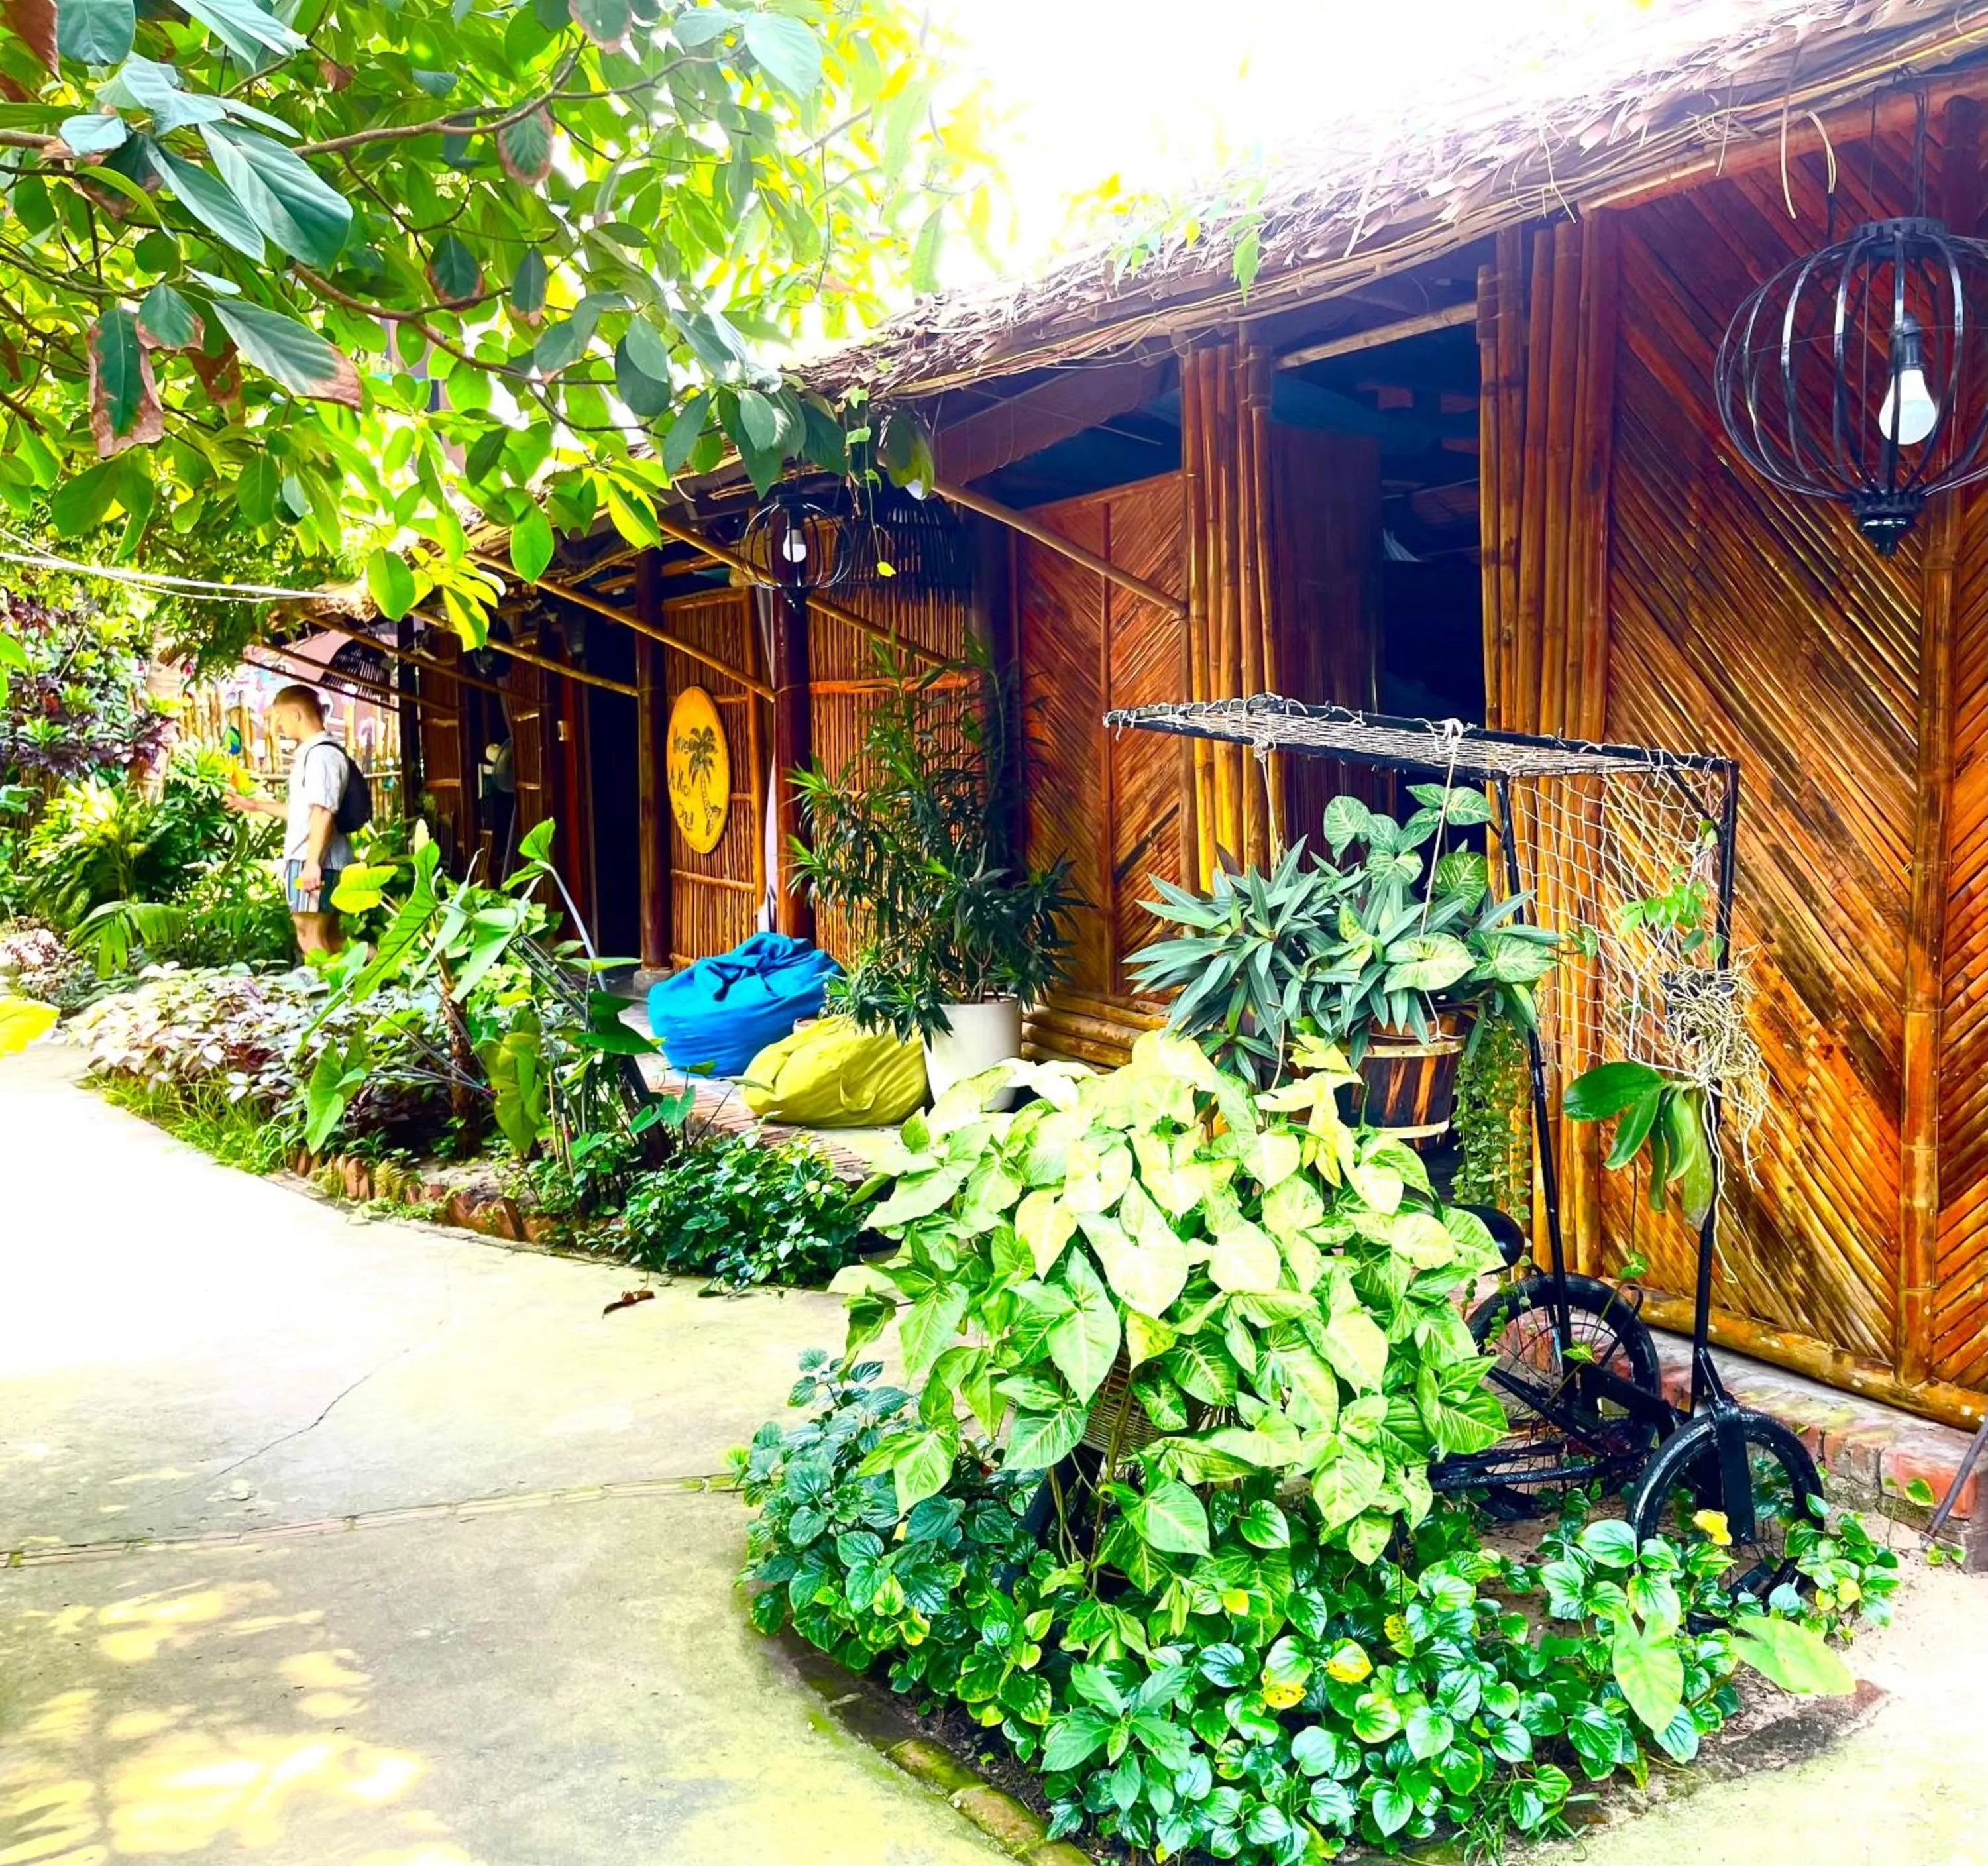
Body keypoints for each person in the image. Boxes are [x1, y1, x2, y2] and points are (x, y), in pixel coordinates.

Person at [225, 683, 353, 956]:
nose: (279, 726)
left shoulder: (322, 755)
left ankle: (328, 996)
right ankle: (398, 969)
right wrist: (254, 805)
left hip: (318, 860)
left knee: (311, 936)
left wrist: (312, 864)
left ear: (297, 715)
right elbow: (304, 813)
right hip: (314, 859)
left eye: (281, 718)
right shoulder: (314, 754)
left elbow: (323, 812)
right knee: (329, 939)